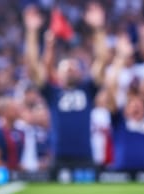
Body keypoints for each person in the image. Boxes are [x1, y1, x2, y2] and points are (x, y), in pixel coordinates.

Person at [23, 2, 109, 181]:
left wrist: (98, 28)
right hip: (58, 157)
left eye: (73, 67)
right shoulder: (52, 92)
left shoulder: (88, 90)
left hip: (85, 156)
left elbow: (102, 60)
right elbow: (32, 66)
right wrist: (32, 32)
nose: (70, 69)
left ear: (80, 72)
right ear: (58, 74)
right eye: (66, 67)